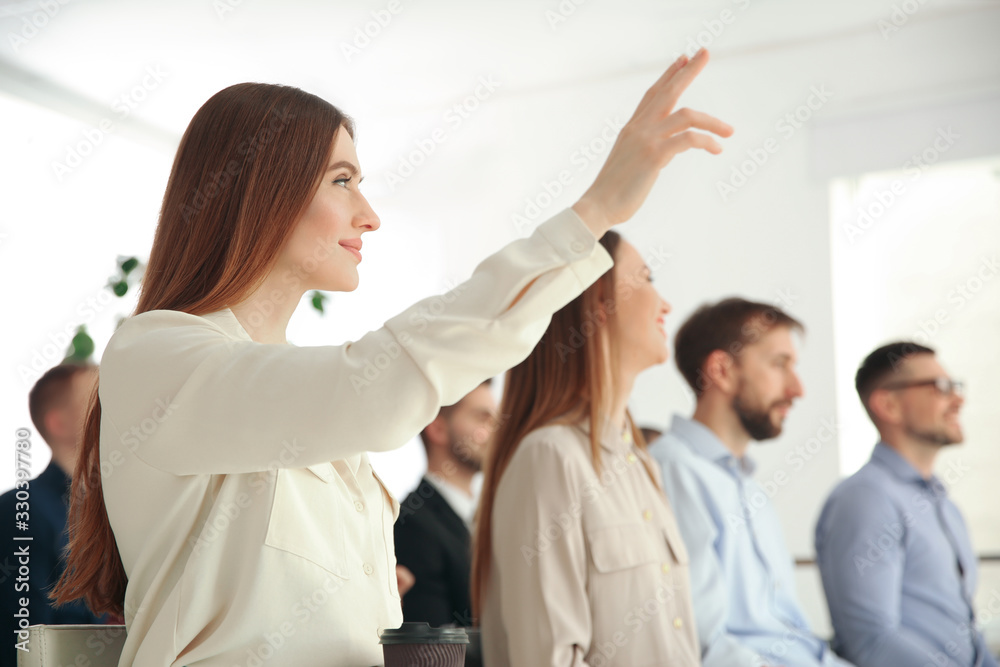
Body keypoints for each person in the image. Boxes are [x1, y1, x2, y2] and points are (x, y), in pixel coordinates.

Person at [50, 49, 733, 666]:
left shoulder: (300, 392)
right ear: (261, 192)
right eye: (342, 180)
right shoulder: (157, 354)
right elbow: (379, 384)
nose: (369, 213)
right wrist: (593, 212)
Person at [474, 229, 701, 666]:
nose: (665, 304)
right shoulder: (549, 457)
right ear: (599, 301)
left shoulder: (640, 464)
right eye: (647, 278)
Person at [648, 297, 853, 667]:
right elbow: (704, 644)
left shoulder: (748, 488)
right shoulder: (673, 470)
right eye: (779, 365)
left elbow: (790, 635)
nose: (797, 389)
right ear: (722, 371)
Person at [815, 342, 997, 667]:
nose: (959, 399)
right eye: (940, 387)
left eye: (956, 386)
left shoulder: (944, 506)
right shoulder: (865, 498)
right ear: (889, 405)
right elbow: (871, 642)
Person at [2, 363, 105, 665]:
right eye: (97, 398)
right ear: (59, 423)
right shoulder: (20, 511)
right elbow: (23, 641)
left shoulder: (110, 511)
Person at [394, 380, 497, 627]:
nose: (496, 432)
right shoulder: (413, 525)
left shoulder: (490, 518)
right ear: (437, 428)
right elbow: (432, 650)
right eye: (482, 419)